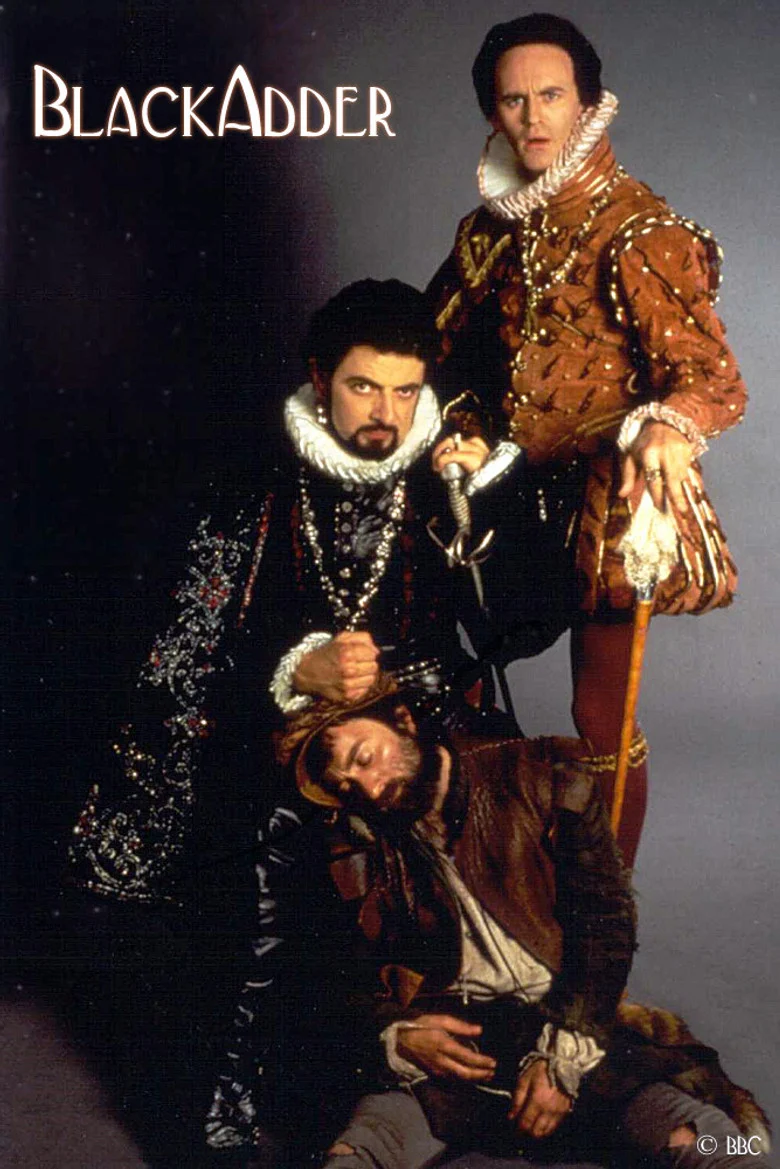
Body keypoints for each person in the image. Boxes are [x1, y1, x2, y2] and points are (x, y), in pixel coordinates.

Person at [427, 13, 748, 866]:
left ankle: (602, 923)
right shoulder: (489, 231)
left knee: (599, 714)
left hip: (610, 494)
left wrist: (670, 428)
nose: (534, 117)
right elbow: (439, 353)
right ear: (493, 113)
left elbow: (713, 378)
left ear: (587, 103)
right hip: (506, 489)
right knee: (448, 674)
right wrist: (463, 431)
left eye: (552, 96)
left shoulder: (640, 231)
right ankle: (483, 888)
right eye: (515, 100)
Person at [268, 681, 770, 1169]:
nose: (372, 789)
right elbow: (335, 980)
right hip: (449, 1058)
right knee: (353, 1157)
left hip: (568, 1025)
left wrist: (562, 1058)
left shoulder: (542, 777)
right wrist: (395, 1034)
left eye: (365, 758)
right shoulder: (353, 846)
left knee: (715, 1145)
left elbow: (606, 928)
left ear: (403, 721)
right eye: (346, 786)